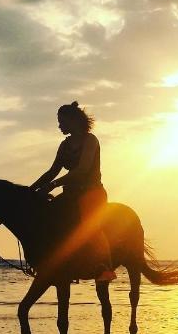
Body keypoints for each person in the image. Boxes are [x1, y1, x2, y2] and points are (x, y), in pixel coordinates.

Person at [31, 101, 115, 282]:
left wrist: (53, 185)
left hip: (92, 193)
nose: (59, 125)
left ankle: (105, 267)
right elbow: (52, 171)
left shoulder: (90, 140)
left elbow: (82, 170)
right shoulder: (64, 145)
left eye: (62, 121)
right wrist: (30, 189)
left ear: (73, 121)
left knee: (89, 227)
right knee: (48, 218)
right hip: (71, 194)